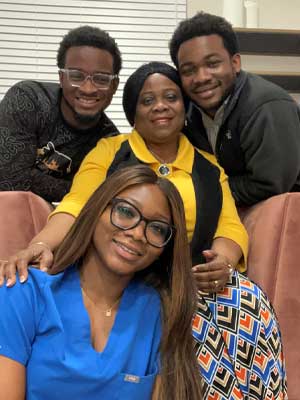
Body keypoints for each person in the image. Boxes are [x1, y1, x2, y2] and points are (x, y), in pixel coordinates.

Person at [0, 62, 287, 398]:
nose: (161, 106)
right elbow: (78, 205)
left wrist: (221, 263)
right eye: (147, 100)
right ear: (133, 112)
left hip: (195, 277)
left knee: (245, 298)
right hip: (135, 274)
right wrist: (41, 244)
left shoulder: (208, 166)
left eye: (171, 97)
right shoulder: (110, 151)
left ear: (185, 107)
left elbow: (230, 227)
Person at [0, 164, 203, 400]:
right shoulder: (25, 291)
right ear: (97, 210)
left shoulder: (160, 310)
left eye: (157, 228)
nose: (137, 234)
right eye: (126, 212)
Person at [169, 11, 300, 206]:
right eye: (189, 70)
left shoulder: (267, 106)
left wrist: (201, 190)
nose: (201, 77)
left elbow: (270, 185)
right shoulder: (187, 110)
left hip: (281, 218)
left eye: (212, 64)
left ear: (235, 63)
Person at [0, 25, 121, 202]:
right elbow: (10, 180)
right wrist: (80, 190)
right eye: (76, 76)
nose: (88, 89)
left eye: (101, 79)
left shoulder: (110, 142)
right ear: (61, 78)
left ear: (114, 86)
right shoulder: (28, 100)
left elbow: (103, 200)